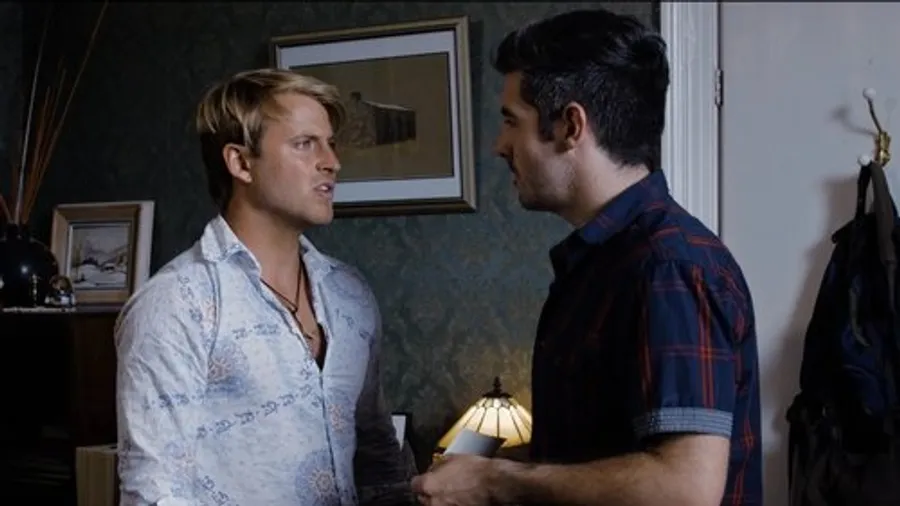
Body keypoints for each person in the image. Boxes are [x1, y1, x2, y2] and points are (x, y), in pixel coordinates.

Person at [412, 8, 762, 506]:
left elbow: (685, 490)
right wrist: (487, 468)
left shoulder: (668, 265)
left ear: (570, 125)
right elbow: (594, 452)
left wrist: (493, 483)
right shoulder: (605, 262)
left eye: (511, 121)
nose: (499, 145)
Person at [115, 68, 412, 506]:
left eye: (330, 143)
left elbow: (379, 460)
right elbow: (154, 490)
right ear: (240, 162)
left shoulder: (350, 294)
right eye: (305, 143)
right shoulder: (176, 303)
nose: (332, 161)